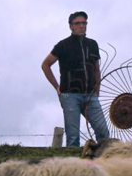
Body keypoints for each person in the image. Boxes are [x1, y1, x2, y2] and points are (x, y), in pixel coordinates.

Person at [41, 11, 110, 147]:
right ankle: (74, 167)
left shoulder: (92, 45)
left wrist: (97, 91)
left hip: (90, 96)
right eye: (78, 23)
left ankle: (103, 163)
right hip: (70, 95)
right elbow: (45, 65)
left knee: (103, 133)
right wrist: (56, 86)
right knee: (73, 137)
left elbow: (96, 69)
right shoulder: (63, 45)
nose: (81, 26)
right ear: (70, 26)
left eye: (84, 23)